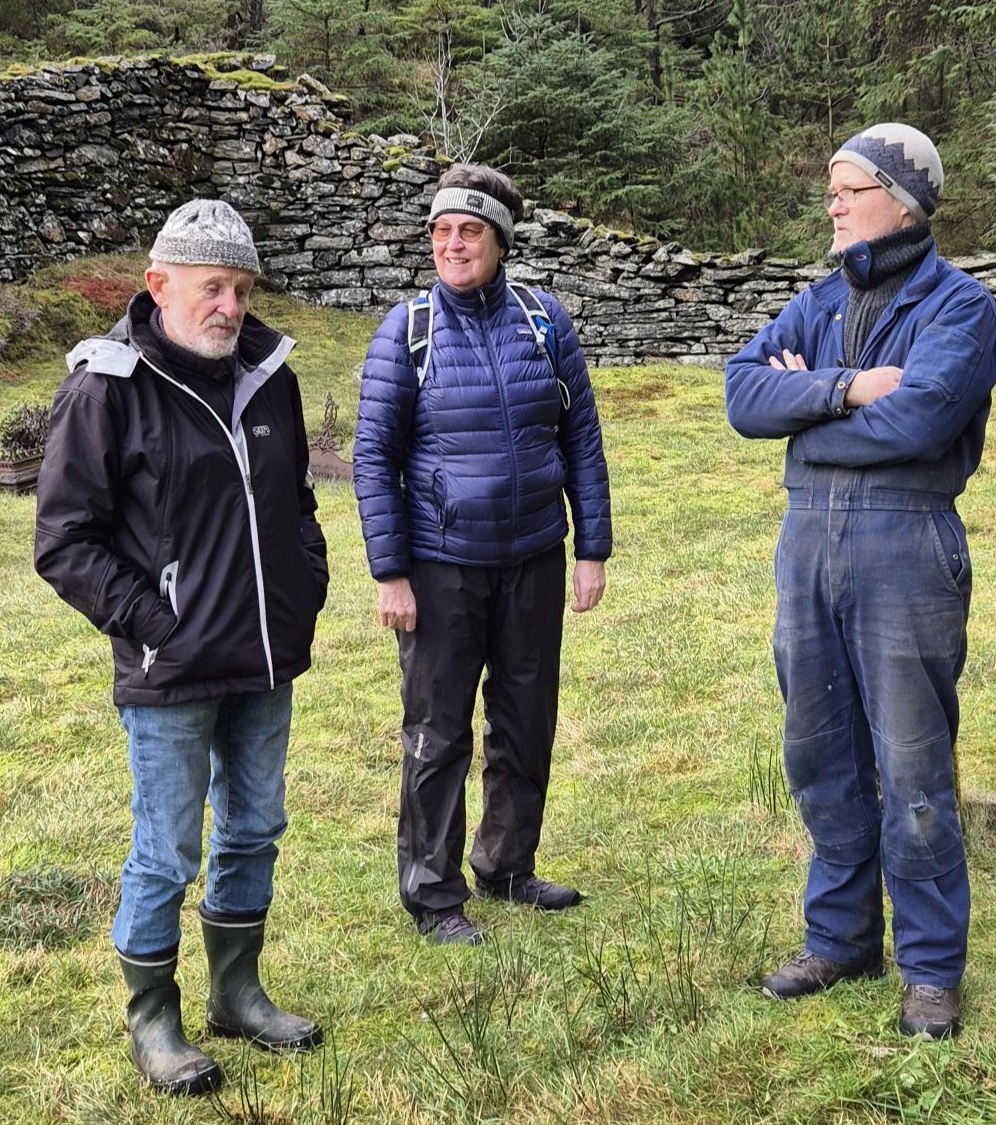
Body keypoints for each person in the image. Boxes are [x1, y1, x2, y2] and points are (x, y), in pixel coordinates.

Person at [34, 199, 330, 1094]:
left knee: (256, 826)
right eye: (212, 287)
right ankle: (152, 1018)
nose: (230, 307)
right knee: (167, 848)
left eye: (241, 288)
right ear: (159, 286)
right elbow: (64, 540)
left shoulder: (267, 375)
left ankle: (236, 993)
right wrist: (156, 623)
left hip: (266, 655)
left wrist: (303, 589)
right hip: (170, 666)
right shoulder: (108, 386)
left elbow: (296, 503)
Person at [724, 124, 996, 1039]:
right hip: (807, 547)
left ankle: (929, 968)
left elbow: (919, 423)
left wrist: (801, 412)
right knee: (817, 750)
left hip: (907, 544)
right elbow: (739, 395)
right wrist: (846, 391)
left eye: (848, 188)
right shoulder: (814, 301)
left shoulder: (960, 308)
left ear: (902, 200)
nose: (832, 204)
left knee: (913, 763)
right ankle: (840, 937)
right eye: (831, 189)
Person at [353, 163, 612, 947]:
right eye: (440, 231)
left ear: (500, 240)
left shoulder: (544, 320)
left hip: (533, 553)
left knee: (525, 720)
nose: (452, 244)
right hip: (441, 563)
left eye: (468, 231)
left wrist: (590, 548)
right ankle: (434, 895)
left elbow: (582, 438)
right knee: (438, 731)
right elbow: (372, 455)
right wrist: (391, 570)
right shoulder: (409, 331)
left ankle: (506, 863)